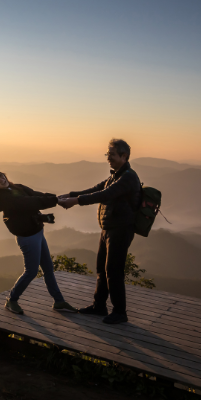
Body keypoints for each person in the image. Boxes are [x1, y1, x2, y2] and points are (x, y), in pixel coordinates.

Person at [58, 138, 141, 325]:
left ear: (124, 156)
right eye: (108, 154)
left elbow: (104, 195)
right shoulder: (116, 175)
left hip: (121, 229)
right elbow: (97, 188)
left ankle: (120, 312)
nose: (108, 158)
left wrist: (76, 202)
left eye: (111, 154)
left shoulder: (128, 177)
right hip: (109, 228)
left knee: (113, 270)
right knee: (102, 269)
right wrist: (72, 195)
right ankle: (99, 306)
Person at [0, 167, 77, 315]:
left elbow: (35, 194)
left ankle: (59, 301)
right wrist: (57, 200)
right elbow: (31, 202)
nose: (1, 179)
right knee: (31, 271)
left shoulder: (17, 187)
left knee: (48, 268)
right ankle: (12, 300)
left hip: (37, 232)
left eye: (1, 175)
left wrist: (58, 198)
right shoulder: (5, 198)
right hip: (28, 238)